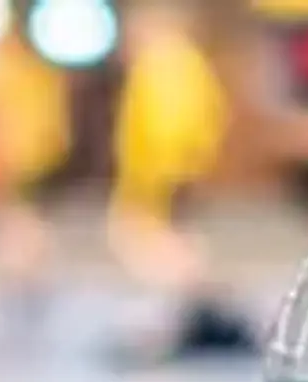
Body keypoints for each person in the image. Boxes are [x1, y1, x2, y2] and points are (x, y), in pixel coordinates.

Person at [106, 4, 248, 359]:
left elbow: (171, 124)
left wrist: (168, 173)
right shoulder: (184, 61)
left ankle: (203, 313)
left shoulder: (165, 63)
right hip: (166, 172)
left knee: (148, 244)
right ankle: (200, 314)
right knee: (170, 245)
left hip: (160, 175)